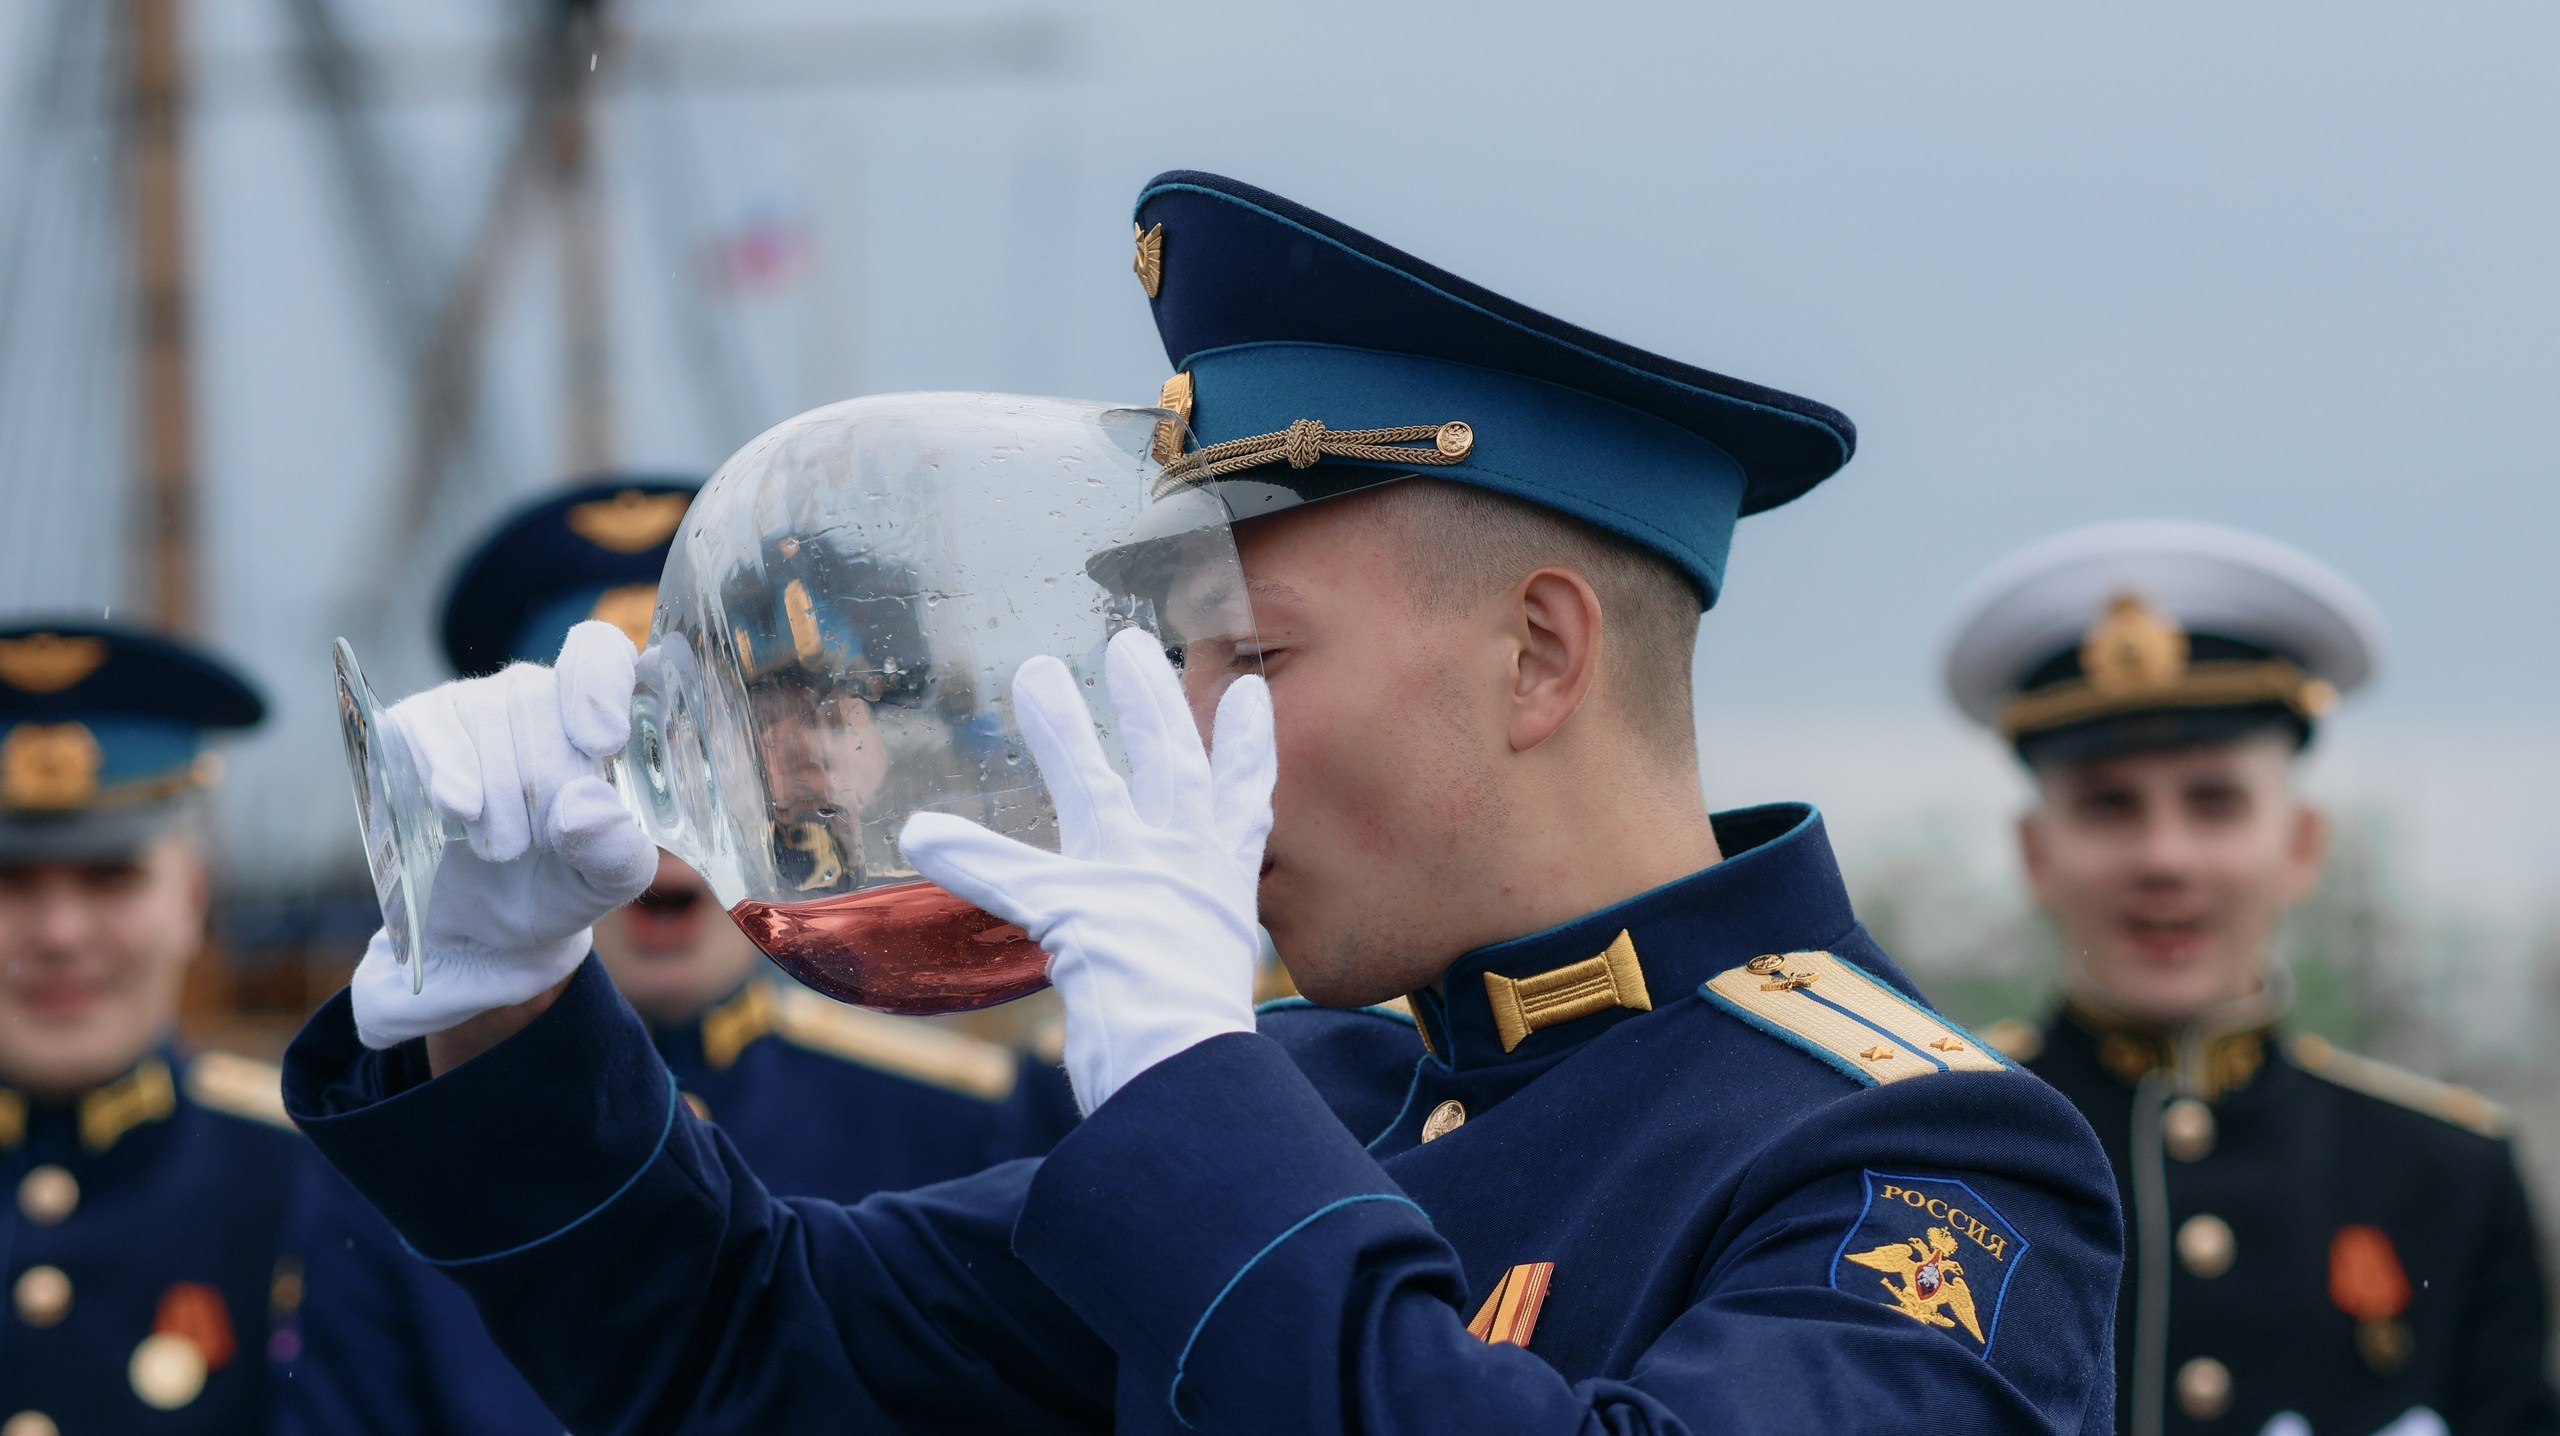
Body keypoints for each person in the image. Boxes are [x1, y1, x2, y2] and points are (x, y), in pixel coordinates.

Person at [282, 170, 2124, 1430]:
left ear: (1542, 655)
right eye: (1175, 656)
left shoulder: (1931, 1160)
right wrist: (507, 1000)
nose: (1182, 730)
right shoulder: (1350, 1094)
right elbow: (749, 1351)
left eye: (1255, 656)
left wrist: (1194, 1112)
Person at [284, 478, 1080, 1434]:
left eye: (720, 752)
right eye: (602, 764)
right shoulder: (416, 1144)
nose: (660, 825)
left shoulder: (972, 1117)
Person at [1942, 520, 2559, 1435]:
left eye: (2216, 802)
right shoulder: (1934, 1149)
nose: (2164, 857)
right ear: (2036, 854)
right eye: (2109, 805)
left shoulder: (2445, 1177)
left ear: (2301, 845)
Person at [0, 619, 304, 1432]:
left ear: (192, 898)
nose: (59, 934)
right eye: (11, 882)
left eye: (111, 878)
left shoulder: (313, 1188)